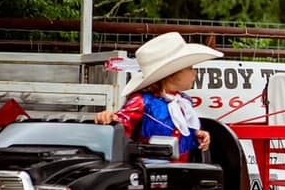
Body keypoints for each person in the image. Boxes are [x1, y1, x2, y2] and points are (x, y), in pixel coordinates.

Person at [95, 32, 222, 161]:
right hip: (150, 172)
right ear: (173, 73)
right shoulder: (143, 102)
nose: (194, 72)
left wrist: (196, 136)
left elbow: (182, 131)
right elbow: (122, 124)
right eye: (189, 68)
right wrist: (110, 118)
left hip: (181, 172)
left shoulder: (183, 102)